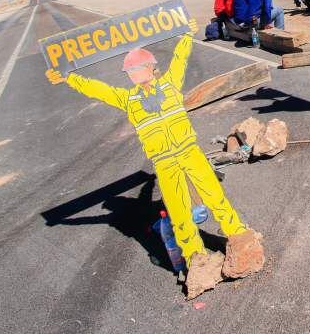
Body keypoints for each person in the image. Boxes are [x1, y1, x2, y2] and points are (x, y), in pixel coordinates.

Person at [44, 25, 265, 299]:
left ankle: (237, 233)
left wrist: (186, 35)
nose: (134, 76)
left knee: (214, 195)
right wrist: (69, 78)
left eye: (137, 70)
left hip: (189, 152)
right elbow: (97, 90)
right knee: (179, 211)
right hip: (164, 162)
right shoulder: (128, 99)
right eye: (130, 73)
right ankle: (195, 256)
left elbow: (180, 59)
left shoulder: (170, 83)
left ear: (151, 68)